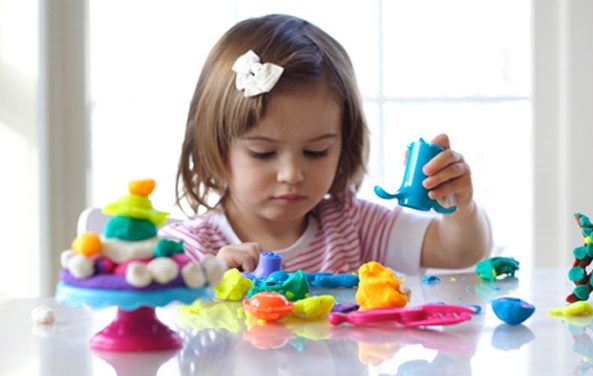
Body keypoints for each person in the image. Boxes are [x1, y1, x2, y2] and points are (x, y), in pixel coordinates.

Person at [159, 14, 492, 275]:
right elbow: (162, 323)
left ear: (343, 145)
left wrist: (460, 209)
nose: (291, 174)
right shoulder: (188, 249)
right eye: (263, 153)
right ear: (214, 148)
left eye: (316, 151)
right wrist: (210, 279)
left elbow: (459, 252)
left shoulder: (350, 225)